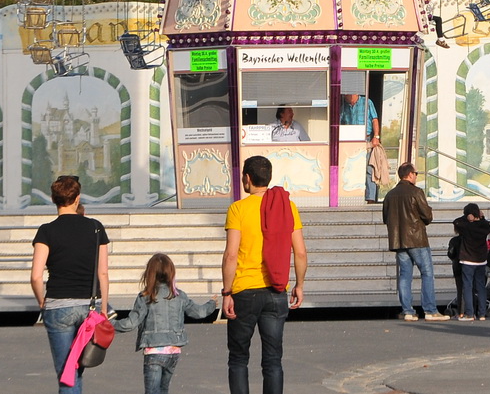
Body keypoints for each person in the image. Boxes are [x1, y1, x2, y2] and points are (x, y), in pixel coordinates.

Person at [221, 155, 306, 394]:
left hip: (244, 292)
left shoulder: (238, 209)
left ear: (247, 178)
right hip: (275, 291)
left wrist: (227, 292)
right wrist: (299, 285)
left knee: (238, 358)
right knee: (273, 360)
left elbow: (230, 255)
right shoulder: (287, 206)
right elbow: (300, 252)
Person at [31, 175, 110, 394]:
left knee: (67, 373)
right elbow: (103, 272)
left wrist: (42, 301)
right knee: (77, 368)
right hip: (89, 307)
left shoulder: (46, 231)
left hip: (58, 305)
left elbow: (36, 276)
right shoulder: (96, 228)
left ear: (53, 199)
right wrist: (104, 308)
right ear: (77, 198)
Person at [114, 254, 217, 394]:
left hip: (154, 351)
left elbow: (131, 323)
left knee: (152, 391)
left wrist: (109, 324)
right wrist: (212, 303)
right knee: (163, 389)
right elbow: (199, 312)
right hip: (173, 351)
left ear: (149, 273)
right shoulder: (179, 295)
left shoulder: (146, 297)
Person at [380, 163, 445, 322]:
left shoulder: (390, 195)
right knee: (427, 273)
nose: (416, 176)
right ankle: (430, 310)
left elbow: (386, 218)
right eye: (416, 173)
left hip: (399, 241)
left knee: (405, 275)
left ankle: (407, 310)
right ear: (410, 174)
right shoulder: (416, 192)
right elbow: (427, 216)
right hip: (417, 239)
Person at [338, 92, 382, 204]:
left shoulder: (367, 102)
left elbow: (374, 119)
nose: (344, 96)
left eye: (346, 94)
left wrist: (376, 136)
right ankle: (352, 196)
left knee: (369, 168)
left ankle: (370, 198)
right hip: (350, 142)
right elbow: (339, 123)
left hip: (366, 139)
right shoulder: (344, 106)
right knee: (351, 168)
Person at [452, 204, 490, 321]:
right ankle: (482, 313)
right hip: (481, 260)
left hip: (468, 260)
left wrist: (467, 217)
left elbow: (456, 222)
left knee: (467, 286)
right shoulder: (484, 226)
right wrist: (481, 217)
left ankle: (469, 313)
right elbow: (487, 225)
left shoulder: (466, 226)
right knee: (481, 286)